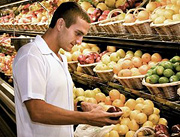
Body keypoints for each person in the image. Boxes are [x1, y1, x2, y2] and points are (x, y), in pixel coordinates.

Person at [13, 2, 123, 137]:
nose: (79, 41)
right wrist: (87, 118)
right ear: (60, 24)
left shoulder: (61, 58)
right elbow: (37, 111)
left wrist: (81, 107)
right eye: (78, 33)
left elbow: (55, 100)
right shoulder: (32, 56)